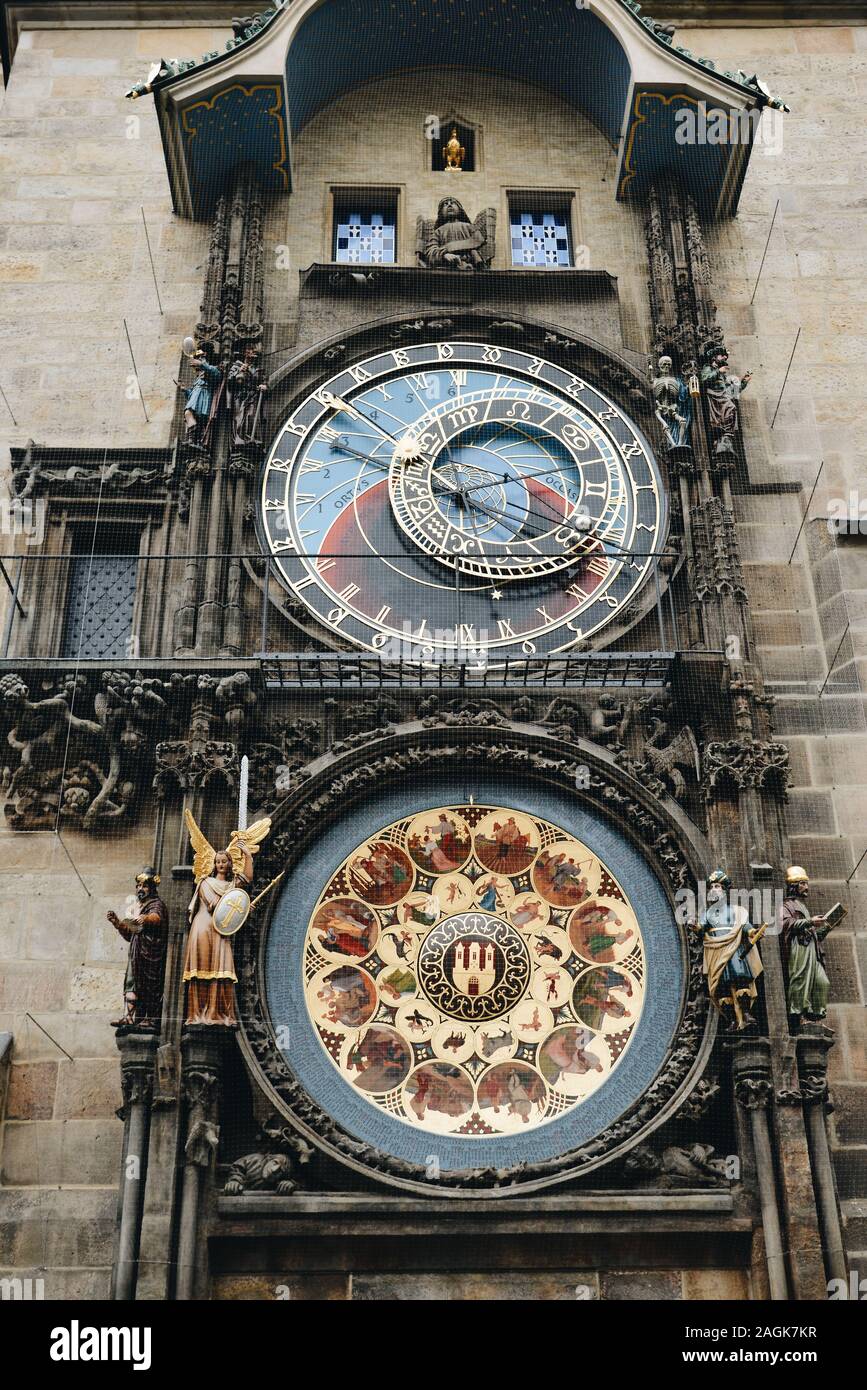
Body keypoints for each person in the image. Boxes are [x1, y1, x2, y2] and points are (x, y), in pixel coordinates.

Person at [182, 810, 271, 1025]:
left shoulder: (232, 885)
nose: (221, 864)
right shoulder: (205, 883)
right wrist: (239, 908)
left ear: (230, 864)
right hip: (204, 927)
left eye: (225, 862)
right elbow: (214, 906)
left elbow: (246, 880)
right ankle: (197, 1014)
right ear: (213, 864)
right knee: (201, 968)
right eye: (218, 861)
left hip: (222, 931)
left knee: (223, 968)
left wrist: (247, 855)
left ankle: (218, 1012)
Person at [692, 868, 764, 1031]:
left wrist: (752, 932)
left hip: (734, 949)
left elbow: (744, 925)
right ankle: (732, 1019)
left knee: (741, 979)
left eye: (717, 886)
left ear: (724, 890)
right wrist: (695, 926)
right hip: (716, 950)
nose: (714, 890)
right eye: (712, 887)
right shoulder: (708, 913)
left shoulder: (735, 910)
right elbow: (701, 928)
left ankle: (745, 1013)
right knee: (721, 985)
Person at [779, 865, 841, 1027]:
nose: (806, 887)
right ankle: (800, 1015)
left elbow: (815, 936)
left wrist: (829, 926)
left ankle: (815, 1017)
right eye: (802, 883)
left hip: (812, 949)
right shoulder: (787, 906)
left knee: (822, 982)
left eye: (806, 883)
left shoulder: (803, 907)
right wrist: (810, 921)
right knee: (800, 980)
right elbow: (785, 924)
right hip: (799, 949)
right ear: (793, 886)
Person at [107, 867, 168, 1027]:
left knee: (149, 986)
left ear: (152, 888)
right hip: (136, 954)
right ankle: (129, 1017)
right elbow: (130, 934)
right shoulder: (137, 907)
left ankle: (151, 1018)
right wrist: (117, 923)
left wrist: (146, 918)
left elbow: (157, 918)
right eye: (138, 886)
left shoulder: (156, 904)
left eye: (145, 886)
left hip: (150, 954)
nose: (140, 889)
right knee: (131, 984)